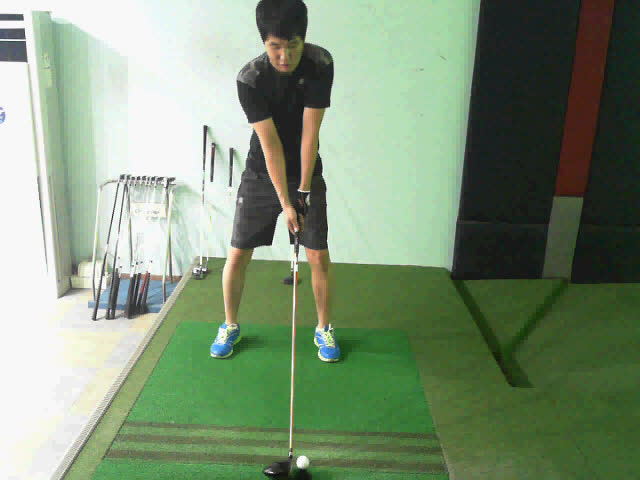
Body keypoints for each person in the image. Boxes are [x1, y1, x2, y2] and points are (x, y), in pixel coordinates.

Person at [210, 0, 340, 362]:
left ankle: (324, 328)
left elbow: (309, 135)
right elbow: (271, 147)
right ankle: (230, 324)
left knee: (317, 254)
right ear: (264, 42)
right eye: (275, 47)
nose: (285, 56)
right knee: (238, 253)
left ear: (304, 39)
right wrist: (286, 203)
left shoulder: (320, 64)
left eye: (293, 45)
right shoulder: (250, 79)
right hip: (261, 171)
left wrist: (303, 193)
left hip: (305, 168)